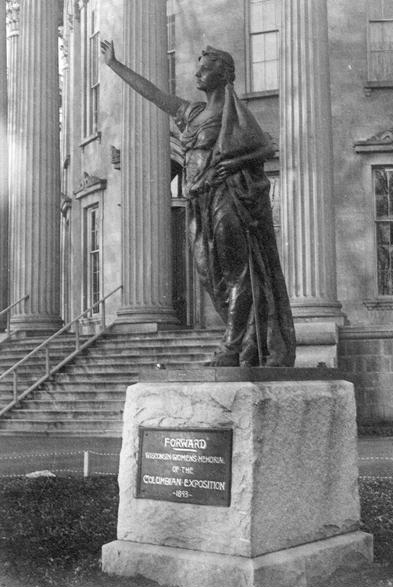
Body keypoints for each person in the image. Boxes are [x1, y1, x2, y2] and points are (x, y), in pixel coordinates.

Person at [101, 40, 295, 367]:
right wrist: (115, 65)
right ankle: (247, 344)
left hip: (225, 198)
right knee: (210, 275)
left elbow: (263, 147)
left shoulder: (232, 113)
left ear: (223, 75)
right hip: (198, 202)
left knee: (238, 275)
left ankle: (233, 348)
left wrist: (233, 164)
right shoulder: (192, 112)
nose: (197, 73)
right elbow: (154, 95)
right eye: (199, 68)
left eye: (205, 69)